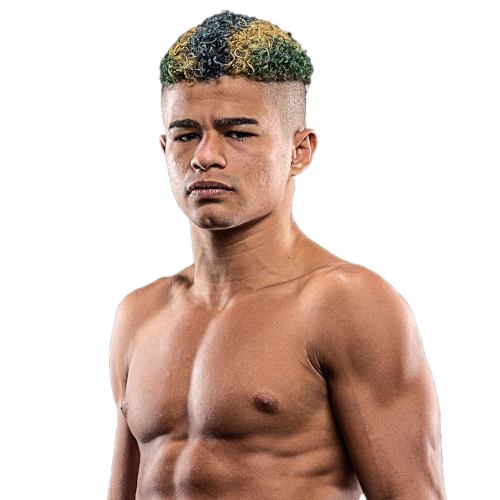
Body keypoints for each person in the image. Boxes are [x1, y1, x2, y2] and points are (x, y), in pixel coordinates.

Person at [107, 9, 446, 500]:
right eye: (186, 134)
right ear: (165, 148)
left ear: (299, 151)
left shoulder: (347, 304)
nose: (205, 156)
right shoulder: (139, 314)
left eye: (238, 133)